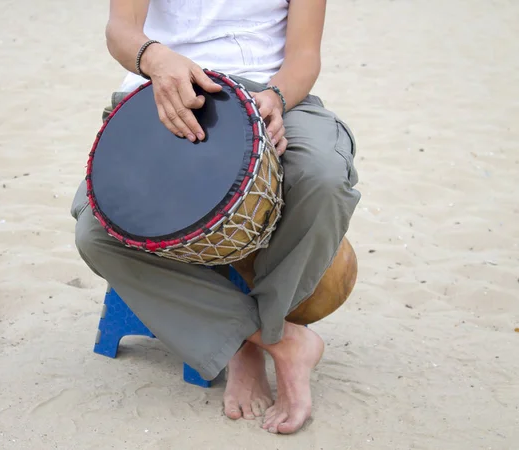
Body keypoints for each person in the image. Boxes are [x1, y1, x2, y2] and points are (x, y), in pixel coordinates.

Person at [71, 0, 361, 435]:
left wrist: (276, 99)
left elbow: (304, 56)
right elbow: (120, 30)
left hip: (271, 92)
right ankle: (267, 341)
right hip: (163, 90)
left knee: (324, 176)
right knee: (97, 232)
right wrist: (157, 58)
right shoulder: (158, 68)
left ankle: (256, 330)